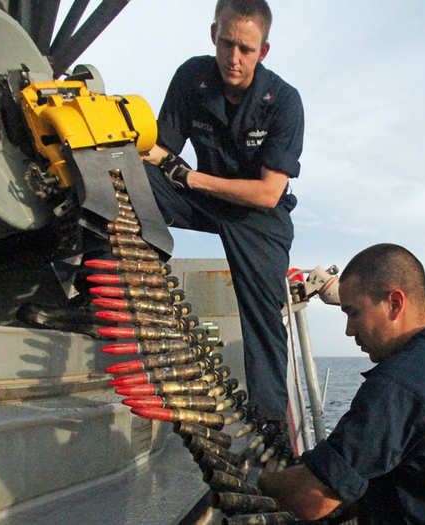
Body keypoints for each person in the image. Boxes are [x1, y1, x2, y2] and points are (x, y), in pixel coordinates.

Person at [142, 0, 304, 423]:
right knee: (126, 178)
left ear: (263, 51)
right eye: (228, 43)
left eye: (246, 49)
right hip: (203, 200)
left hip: (257, 217)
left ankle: (272, 434)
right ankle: (102, 284)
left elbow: (269, 193)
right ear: (214, 34)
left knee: (263, 325)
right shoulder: (192, 78)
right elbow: (160, 151)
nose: (234, 58)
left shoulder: (284, 102)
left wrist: (192, 179)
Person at [258, 243, 425, 524]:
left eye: (353, 312)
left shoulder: (399, 384)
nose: (348, 330)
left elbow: (311, 499)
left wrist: (264, 477)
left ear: (395, 303)